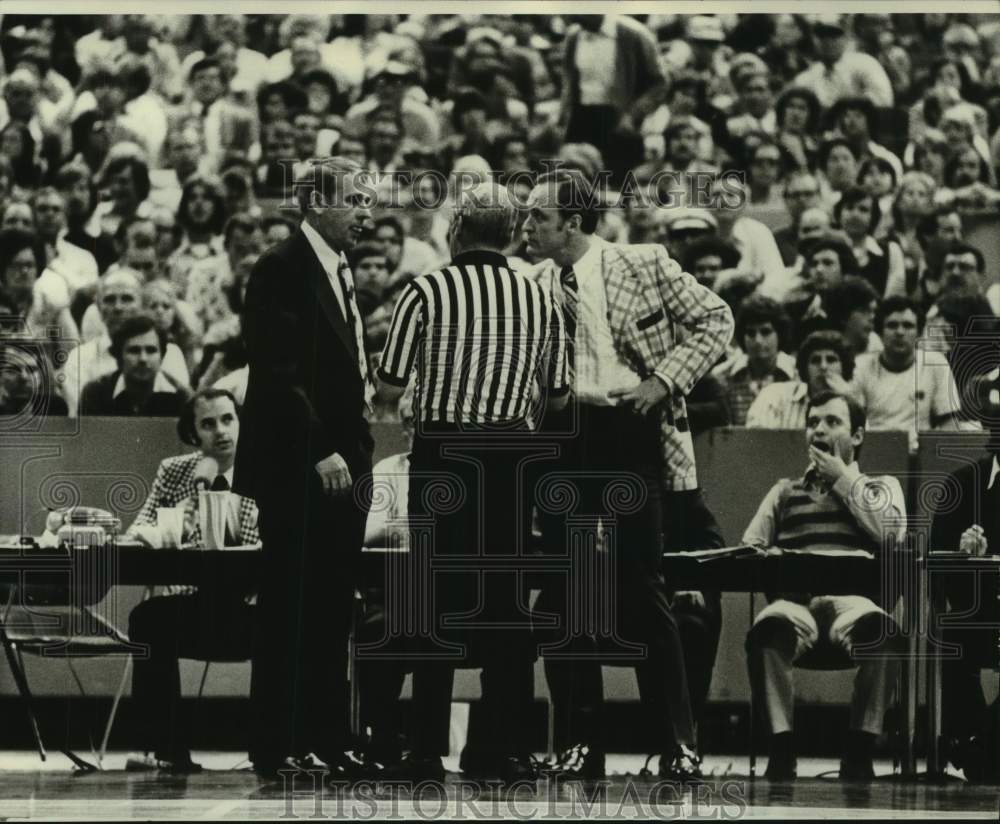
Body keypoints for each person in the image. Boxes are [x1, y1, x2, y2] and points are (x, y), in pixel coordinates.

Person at [522, 168, 733, 781]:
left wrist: (662, 380)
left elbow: (715, 319)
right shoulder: (531, 280)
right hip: (562, 436)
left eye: (539, 215)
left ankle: (679, 743)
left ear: (574, 223)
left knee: (643, 586)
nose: (528, 226)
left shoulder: (642, 263)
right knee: (567, 592)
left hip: (626, 429)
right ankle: (579, 742)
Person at [376, 181, 568, 783]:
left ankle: (425, 749)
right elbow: (559, 392)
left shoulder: (425, 289)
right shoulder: (541, 297)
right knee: (506, 608)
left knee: (432, 599)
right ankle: (501, 746)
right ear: (514, 235)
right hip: (511, 458)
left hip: (441, 454)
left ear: (456, 230)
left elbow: (387, 387)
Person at [233, 156, 377, 780]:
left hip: (345, 464)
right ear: (317, 202)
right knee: (290, 605)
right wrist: (319, 447)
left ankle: (327, 735)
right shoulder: (281, 266)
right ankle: (275, 741)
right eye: (356, 201)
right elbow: (275, 373)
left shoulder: (340, 269)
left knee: (329, 608)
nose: (367, 214)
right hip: (303, 464)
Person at [743, 390, 907, 779]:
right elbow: (749, 549)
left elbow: (889, 534)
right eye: (813, 422)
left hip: (853, 605)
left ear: (857, 436)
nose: (819, 429)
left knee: (883, 633)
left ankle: (859, 749)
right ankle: (781, 751)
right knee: (767, 631)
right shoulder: (783, 491)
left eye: (832, 422)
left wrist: (843, 480)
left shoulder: (881, 487)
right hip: (795, 604)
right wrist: (771, 560)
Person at [124, 388, 260, 773]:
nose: (220, 431)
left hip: (249, 605)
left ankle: (271, 748)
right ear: (193, 434)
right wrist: (184, 510)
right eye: (208, 424)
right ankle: (165, 751)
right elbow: (139, 529)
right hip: (193, 604)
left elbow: (262, 544)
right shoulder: (175, 471)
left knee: (287, 624)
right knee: (148, 618)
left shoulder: (264, 469)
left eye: (228, 419)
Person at [930, 386, 1000, 783]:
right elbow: (936, 574)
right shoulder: (961, 485)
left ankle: (981, 749)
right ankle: (974, 744)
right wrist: (961, 555)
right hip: (982, 615)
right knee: (952, 633)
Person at [851, 295, 976, 453]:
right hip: (873, 455)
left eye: (908, 325)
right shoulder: (860, 366)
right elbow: (853, 425)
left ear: (918, 332)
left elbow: (949, 425)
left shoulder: (936, 363)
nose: (900, 332)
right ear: (880, 332)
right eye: (892, 325)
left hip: (921, 458)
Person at [59, 268, 190, 416]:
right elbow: (82, 417)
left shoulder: (171, 352)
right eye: (109, 300)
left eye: (127, 299)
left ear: (142, 305)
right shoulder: (80, 357)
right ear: (99, 308)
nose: (118, 307)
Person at [79, 313, 186, 417]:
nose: (143, 359)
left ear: (161, 356)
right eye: (134, 351)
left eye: (151, 350)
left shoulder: (181, 397)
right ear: (119, 356)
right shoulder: (96, 393)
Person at [747, 330, 855, 430]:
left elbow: (864, 443)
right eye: (815, 360)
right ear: (805, 368)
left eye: (831, 360)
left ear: (844, 367)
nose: (823, 366)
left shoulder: (852, 399)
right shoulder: (774, 395)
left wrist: (847, 399)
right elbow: (757, 440)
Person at [713, 296, 796, 426]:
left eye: (765, 332)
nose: (757, 340)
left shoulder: (797, 374)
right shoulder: (723, 377)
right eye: (751, 333)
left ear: (780, 333)